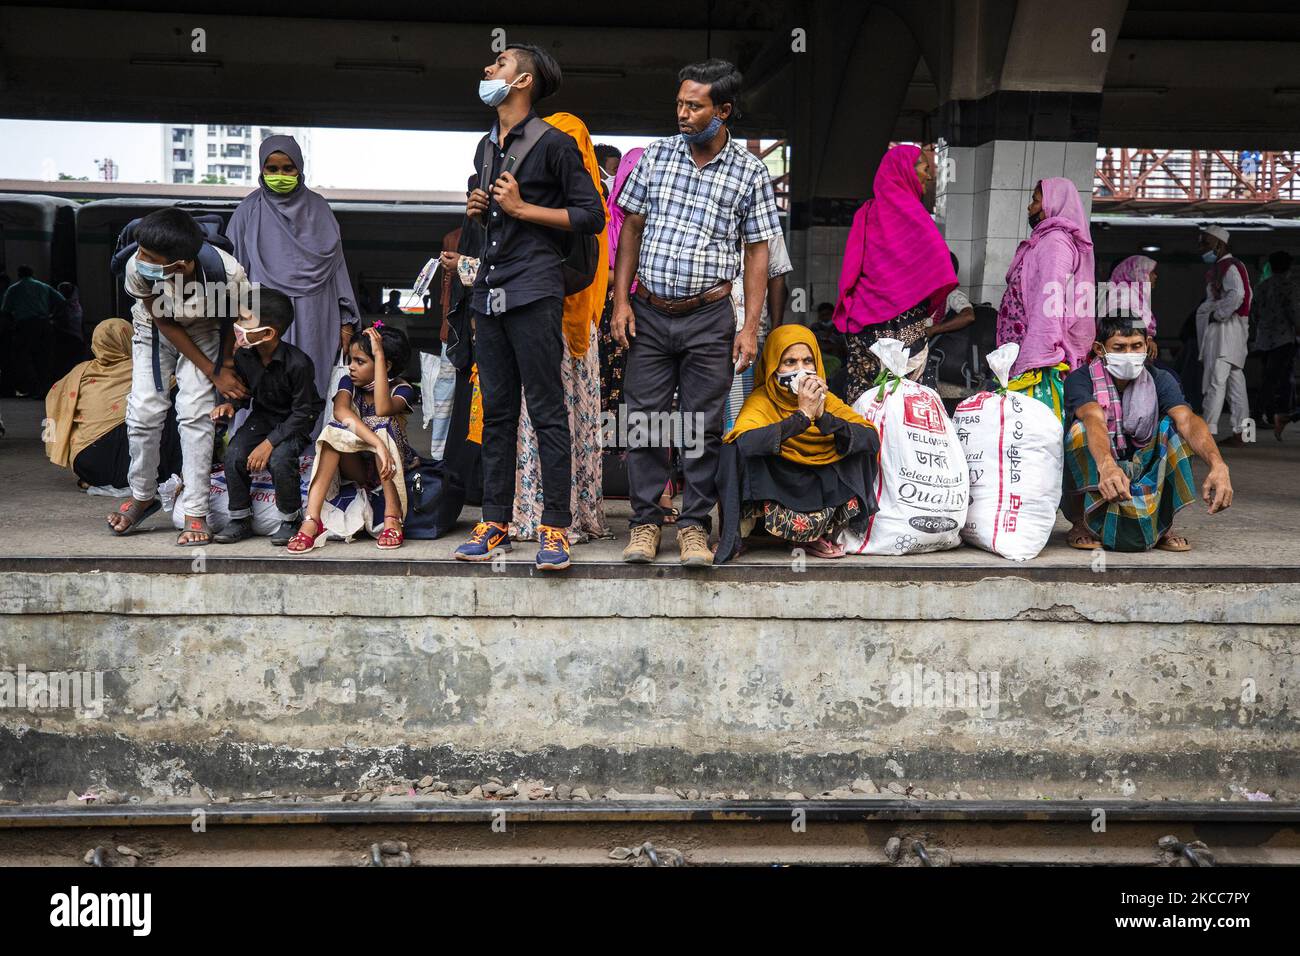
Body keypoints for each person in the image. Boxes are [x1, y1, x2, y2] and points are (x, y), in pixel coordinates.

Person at [612, 58, 782, 567]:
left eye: (694, 105)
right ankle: (645, 523)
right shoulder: (658, 156)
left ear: (723, 110)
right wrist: (620, 301)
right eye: (680, 103)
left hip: (710, 316)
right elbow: (632, 231)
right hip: (649, 310)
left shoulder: (751, 172)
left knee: (702, 423)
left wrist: (751, 327)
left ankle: (693, 525)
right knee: (643, 419)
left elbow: (758, 253)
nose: (682, 113)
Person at [449, 43, 605, 572]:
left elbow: (591, 217)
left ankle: (554, 529)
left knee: (546, 413)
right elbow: (496, 220)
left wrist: (522, 208)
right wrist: (480, 211)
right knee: (497, 413)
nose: (488, 69)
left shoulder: (556, 144)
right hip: (489, 290)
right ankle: (496, 521)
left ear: (522, 82)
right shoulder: (485, 146)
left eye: (500, 64)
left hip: (536, 291)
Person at [105, 208, 251, 545]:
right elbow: (164, 323)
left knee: (196, 415)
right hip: (152, 330)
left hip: (206, 331)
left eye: (149, 256)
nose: (138, 258)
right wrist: (212, 373)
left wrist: (225, 365)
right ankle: (143, 496)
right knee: (143, 414)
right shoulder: (136, 269)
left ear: (181, 263)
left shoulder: (228, 272)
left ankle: (196, 512)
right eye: (140, 251)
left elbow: (236, 318)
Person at [510, 112, 611, 544]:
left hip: (572, 331)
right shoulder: (531, 199)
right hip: (540, 323)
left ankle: (562, 516)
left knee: (562, 422)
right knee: (545, 419)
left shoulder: (590, 206)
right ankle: (547, 514)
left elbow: (594, 270)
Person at [1064, 317, 1232, 552]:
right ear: (1099, 349)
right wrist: (1107, 464)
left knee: (1174, 431)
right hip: (1102, 464)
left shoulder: (1160, 378)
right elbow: (1094, 418)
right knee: (1078, 432)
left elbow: (1188, 420)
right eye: (1119, 348)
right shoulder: (1080, 379)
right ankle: (1081, 522)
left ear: (1147, 345)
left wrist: (1218, 464)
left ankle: (1164, 526)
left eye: (1136, 346)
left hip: (1143, 461)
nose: (1129, 354)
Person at [714, 325, 879, 563]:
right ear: (773, 366)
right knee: (733, 450)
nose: (800, 370)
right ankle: (741, 533)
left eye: (807, 361)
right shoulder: (763, 400)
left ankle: (818, 534)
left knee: (858, 444)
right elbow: (744, 443)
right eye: (789, 362)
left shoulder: (829, 400)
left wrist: (824, 419)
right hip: (778, 485)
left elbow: (870, 439)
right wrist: (800, 418)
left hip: (819, 487)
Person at [227, 134, 359, 429]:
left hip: (316, 313)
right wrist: (233, 326)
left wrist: (346, 322)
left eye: (288, 168)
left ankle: (311, 457)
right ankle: (255, 451)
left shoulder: (319, 209)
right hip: (262, 315)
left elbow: (338, 268)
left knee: (310, 381)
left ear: (300, 168)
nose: (280, 176)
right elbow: (231, 273)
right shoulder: (248, 211)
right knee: (262, 380)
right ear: (261, 170)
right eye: (272, 169)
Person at [832, 145, 957, 405]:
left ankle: (865, 445)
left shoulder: (867, 214)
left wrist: (854, 307)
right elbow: (940, 268)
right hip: (906, 327)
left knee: (866, 403)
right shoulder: (916, 216)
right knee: (909, 404)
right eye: (925, 168)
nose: (929, 176)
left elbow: (850, 273)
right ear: (906, 172)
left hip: (865, 326)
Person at [288, 323, 417, 554]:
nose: (351, 367)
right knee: (333, 431)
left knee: (382, 427)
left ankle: (392, 516)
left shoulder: (402, 389)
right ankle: (312, 519)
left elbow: (383, 408)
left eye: (360, 361)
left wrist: (379, 356)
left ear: (384, 365)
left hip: (391, 469)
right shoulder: (349, 383)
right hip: (359, 469)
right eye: (351, 360)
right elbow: (341, 413)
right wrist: (376, 445)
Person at [211, 289, 324, 546]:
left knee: (281, 459)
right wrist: (231, 405)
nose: (237, 326)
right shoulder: (243, 355)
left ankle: (290, 518)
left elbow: (304, 411)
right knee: (234, 454)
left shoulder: (298, 363)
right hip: (263, 417)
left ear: (268, 333)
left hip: (295, 421)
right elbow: (244, 393)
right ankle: (240, 518)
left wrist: (269, 443)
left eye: (244, 320)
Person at [996, 178, 1096, 423]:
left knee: (1035, 427)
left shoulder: (1056, 243)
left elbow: (1050, 301)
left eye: (1035, 200)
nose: (1030, 207)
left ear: (1050, 203)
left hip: (1040, 360)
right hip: (1025, 352)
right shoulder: (1044, 240)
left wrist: (1037, 357)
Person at [44, 317, 181, 489]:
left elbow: (54, 397)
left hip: (86, 464)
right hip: (138, 467)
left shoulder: (79, 373)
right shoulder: (146, 370)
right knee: (176, 398)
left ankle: (99, 479)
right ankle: (171, 472)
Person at [1195, 225, 1252, 446]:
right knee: (1236, 383)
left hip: (1226, 330)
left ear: (1219, 244)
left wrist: (1217, 314)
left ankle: (1206, 434)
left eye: (1206, 244)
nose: (1202, 249)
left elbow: (1237, 294)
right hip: (1233, 330)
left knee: (1215, 381)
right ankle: (1244, 434)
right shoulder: (1229, 265)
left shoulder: (1228, 266)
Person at [1250, 250, 1299, 439]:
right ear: (1288, 266)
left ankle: (1271, 415)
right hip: (1283, 339)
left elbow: (1254, 313)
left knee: (1269, 377)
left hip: (1264, 340)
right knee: (1279, 379)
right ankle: (1265, 414)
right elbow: (1294, 312)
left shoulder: (1262, 286)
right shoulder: (1289, 286)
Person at [1, 264, 65, 397]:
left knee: (24, 358)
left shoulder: (14, 289)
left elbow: (5, 311)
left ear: (19, 275)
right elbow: (62, 301)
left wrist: (12, 325)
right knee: (44, 358)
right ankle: (45, 390)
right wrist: (52, 315)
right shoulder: (43, 286)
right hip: (44, 324)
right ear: (32, 274)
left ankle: (33, 388)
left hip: (25, 326)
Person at [1103, 254, 1159, 360]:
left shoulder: (1135, 295)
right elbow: (1124, 323)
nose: (1155, 276)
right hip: (1124, 355)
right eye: (1151, 272)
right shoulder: (1124, 295)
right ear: (1139, 273)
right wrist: (1147, 337)